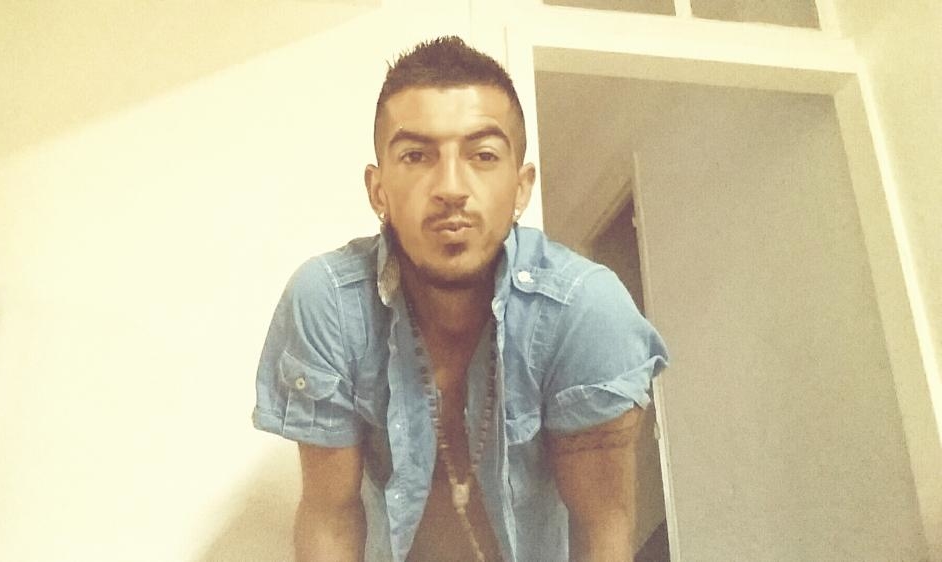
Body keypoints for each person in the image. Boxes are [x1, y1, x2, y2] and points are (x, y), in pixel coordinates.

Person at [254, 36, 669, 562]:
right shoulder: (329, 304)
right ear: (378, 191)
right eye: (416, 155)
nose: (451, 186)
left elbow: (602, 528)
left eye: (483, 155)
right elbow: (330, 515)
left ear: (521, 187)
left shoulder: (586, 311)